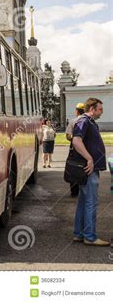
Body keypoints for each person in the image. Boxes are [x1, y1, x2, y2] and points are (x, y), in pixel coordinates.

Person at [72, 98, 108, 246]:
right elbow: (76, 141)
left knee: (83, 201)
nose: (102, 112)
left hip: (90, 169)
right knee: (91, 202)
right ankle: (90, 237)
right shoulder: (84, 121)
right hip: (89, 169)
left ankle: (79, 234)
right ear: (92, 109)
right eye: (100, 109)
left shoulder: (89, 122)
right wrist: (89, 159)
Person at [65, 102, 85, 197]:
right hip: (86, 147)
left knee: (73, 166)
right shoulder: (89, 121)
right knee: (85, 167)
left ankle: (74, 191)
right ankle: (84, 190)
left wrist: (75, 140)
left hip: (74, 147)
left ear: (77, 111)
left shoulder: (73, 121)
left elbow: (68, 136)